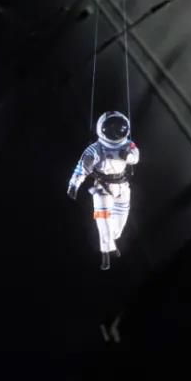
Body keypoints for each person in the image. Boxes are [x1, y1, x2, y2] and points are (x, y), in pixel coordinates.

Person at [67, 111, 139, 271]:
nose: (115, 132)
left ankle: (112, 242)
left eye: (118, 129)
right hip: (102, 189)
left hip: (122, 188)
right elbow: (82, 168)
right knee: (103, 223)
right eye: (111, 129)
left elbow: (135, 157)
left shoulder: (128, 144)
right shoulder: (95, 149)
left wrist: (128, 156)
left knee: (118, 228)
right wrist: (74, 185)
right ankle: (106, 255)